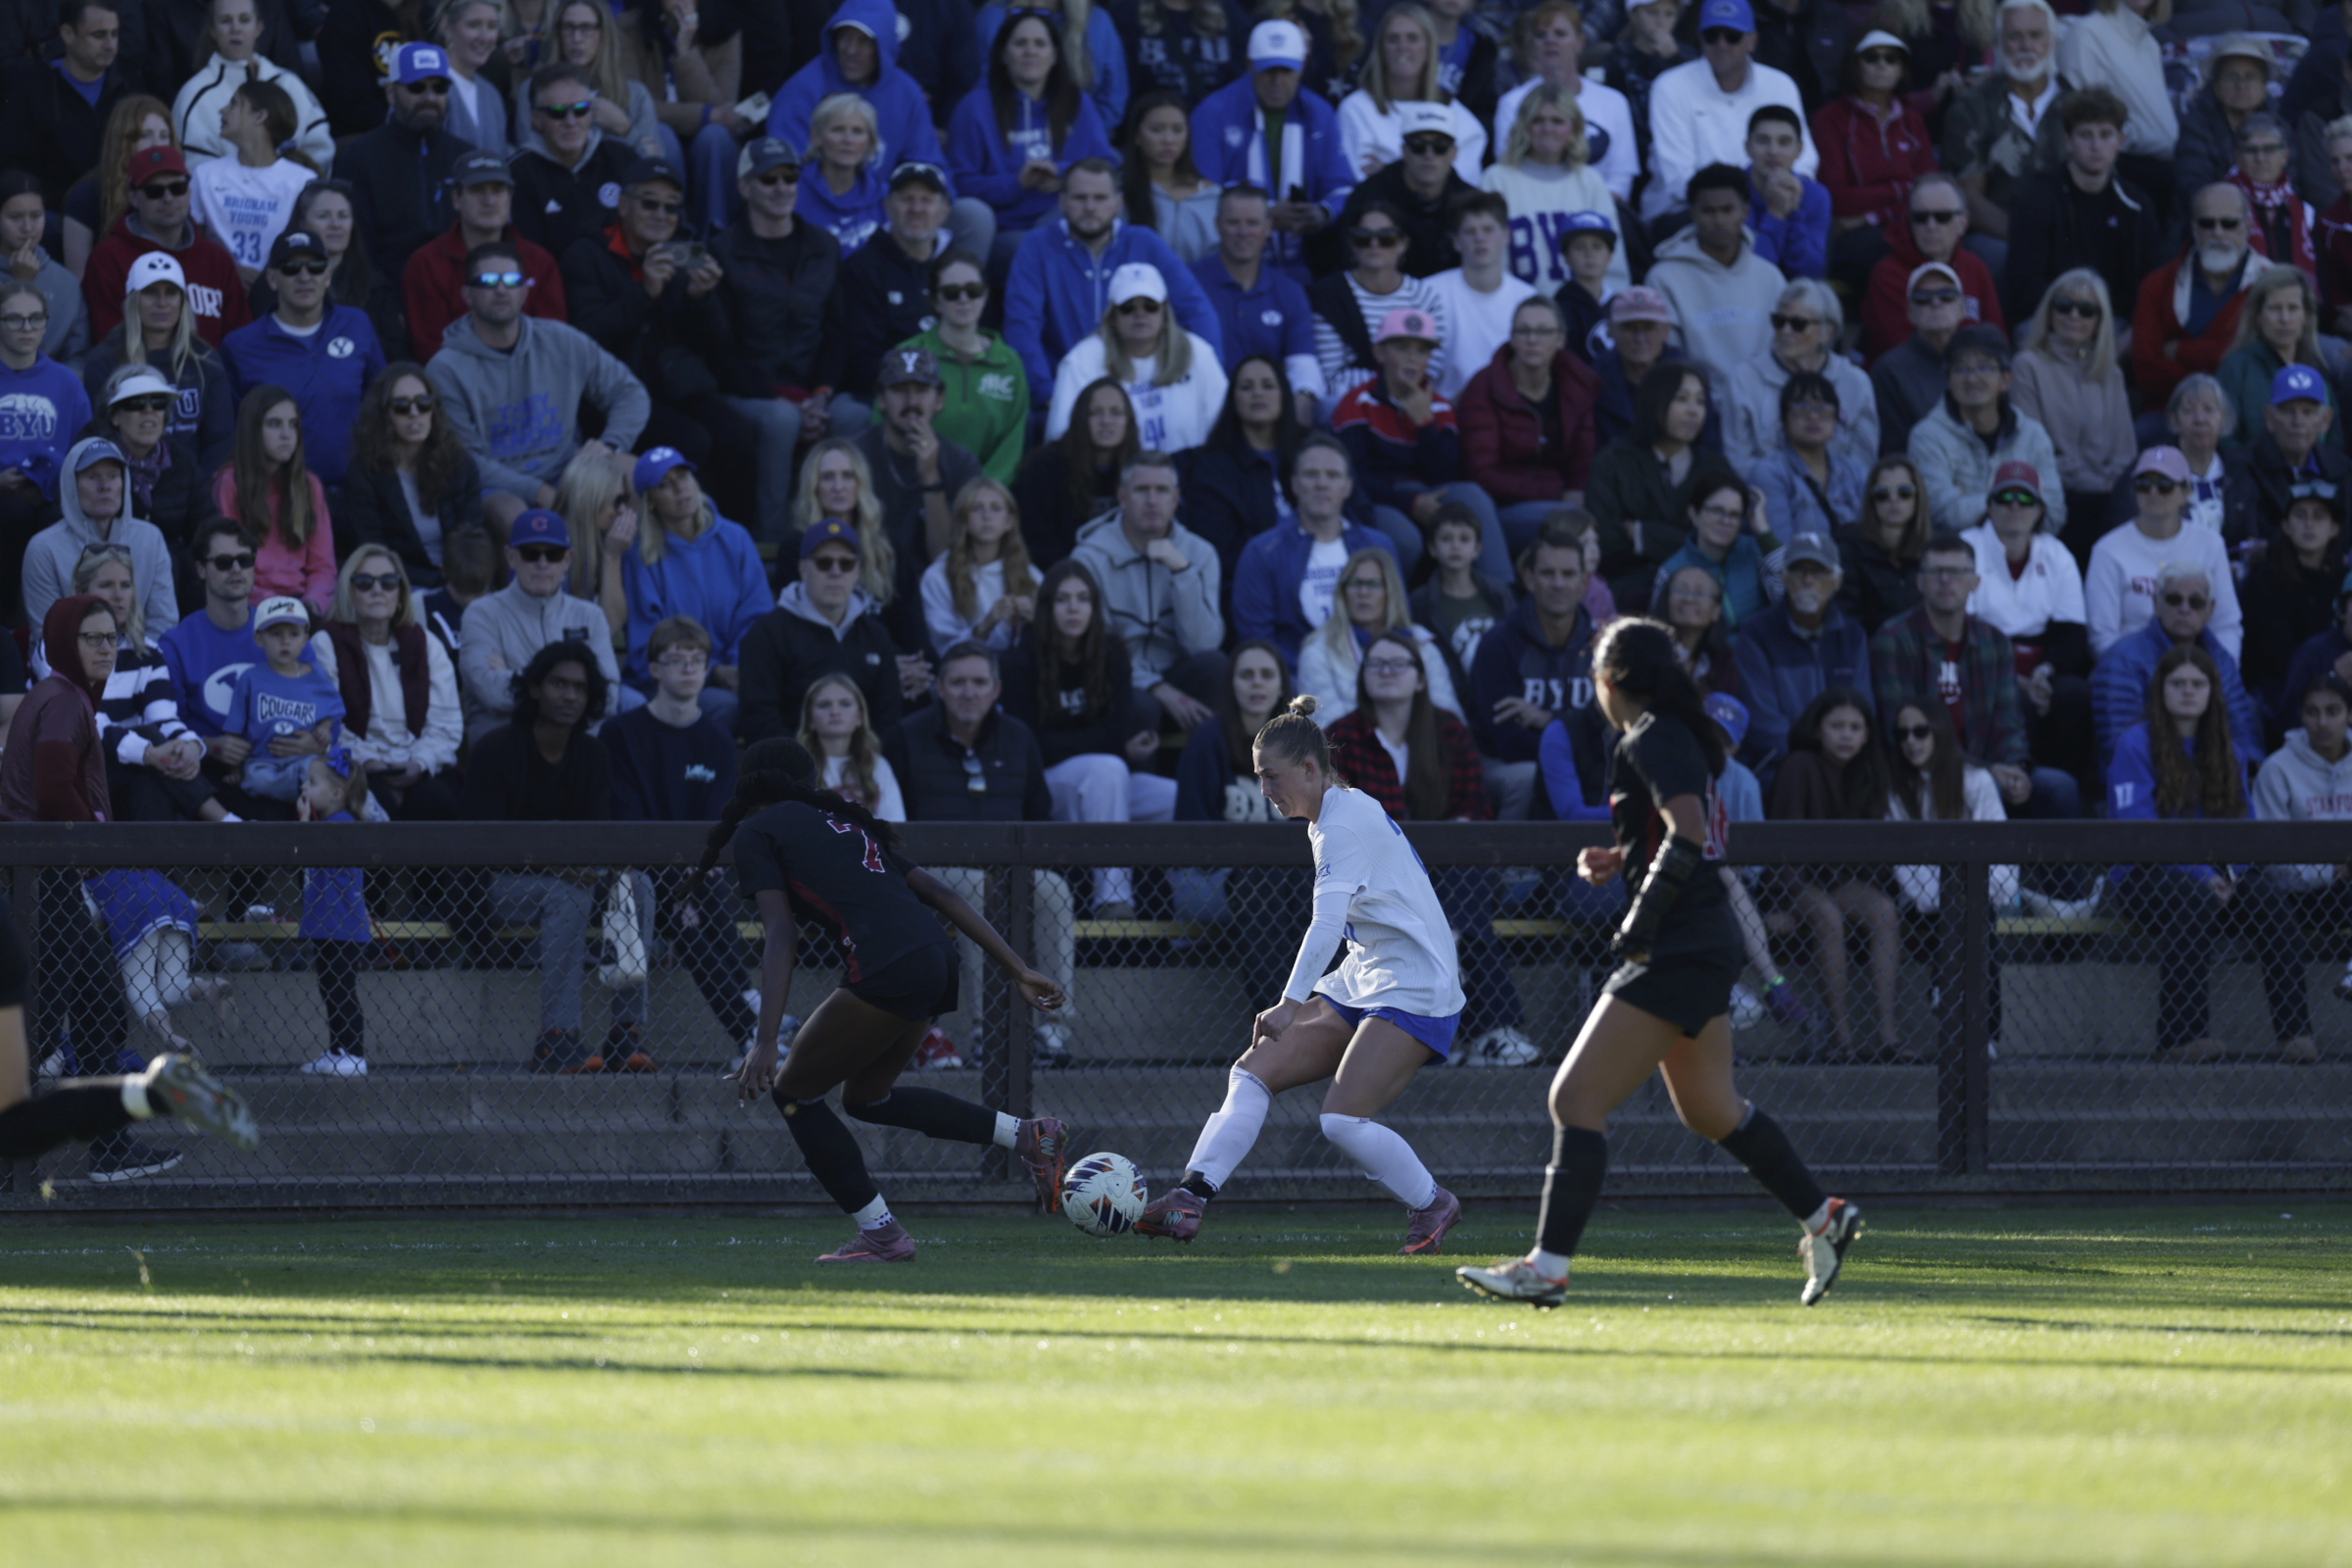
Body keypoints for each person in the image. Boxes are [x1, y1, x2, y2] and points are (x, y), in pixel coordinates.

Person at [1458, 618, 1860, 1308]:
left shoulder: (1654, 736)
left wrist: (1639, 919)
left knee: (1574, 1099)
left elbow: (1691, 836)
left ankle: (1547, 1269)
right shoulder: (1672, 731)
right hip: (1703, 940)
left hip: (1679, 944)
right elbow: (1680, 838)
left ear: (1609, 681)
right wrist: (1621, 861)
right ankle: (1823, 1216)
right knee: (1710, 1109)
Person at [712, 736, 1068, 1259]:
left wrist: (765, 1039)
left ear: (749, 786)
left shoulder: (755, 831)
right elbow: (943, 895)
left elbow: (781, 934)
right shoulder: (848, 826)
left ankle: (882, 1234)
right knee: (866, 1099)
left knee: (794, 1094)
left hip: (888, 964)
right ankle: (1028, 1136)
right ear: (808, 782)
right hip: (934, 957)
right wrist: (1018, 968)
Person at [1137, 688, 1466, 1245]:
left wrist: (1291, 1003)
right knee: (1251, 1071)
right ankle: (1190, 1198)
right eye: (1259, 776)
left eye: (1271, 776)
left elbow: (1324, 924)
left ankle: (1433, 1203)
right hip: (1367, 977)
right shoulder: (1332, 814)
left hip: (1415, 988)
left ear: (1311, 769)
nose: (1264, 790)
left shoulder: (1341, 821)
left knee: (1340, 1120)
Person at [0, 598, 260, 1182]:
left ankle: (110, 1150)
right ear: (65, 643)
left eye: (111, 636)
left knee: (98, 1007)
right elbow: (51, 790)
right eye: (90, 637)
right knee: (42, 1022)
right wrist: (97, 848)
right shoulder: (64, 699)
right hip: (39, 876)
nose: (104, 647)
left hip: (46, 875)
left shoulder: (64, 699)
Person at [2108, 644, 2313, 1062]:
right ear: (2160, 690)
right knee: (2191, 899)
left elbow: (2244, 830)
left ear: (2211, 692)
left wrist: (2231, 878)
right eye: (2178, 683)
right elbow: (2140, 833)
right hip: (2143, 875)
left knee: (2270, 902)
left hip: (2217, 878)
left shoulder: (2230, 751)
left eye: (2197, 684)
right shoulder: (2134, 744)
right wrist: (2205, 877)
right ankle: (2181, 1037)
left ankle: (2296, 1034)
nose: (2188, 691)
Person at [460, 641, 655, 1072]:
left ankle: (625, 1033)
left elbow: (596, 835)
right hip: (497, 888)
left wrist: (605, 866)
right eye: (559, 684)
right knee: (569, 894)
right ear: (534, 690)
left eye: (580, 688)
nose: (570, 696)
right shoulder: (495, 749)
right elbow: (481, 846)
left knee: (639, 884)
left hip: (571, 879)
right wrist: (553, 865)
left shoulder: (593, 754)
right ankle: (556, 1037)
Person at [883, 642, 1078, 1068]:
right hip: (933, 874)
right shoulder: (905, 737)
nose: (968, 692)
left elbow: (1038, 815)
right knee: (972, 887)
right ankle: (983, 1031)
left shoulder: (1018, 737)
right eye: (957, 683)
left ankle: (1052, 1030)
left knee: (1054, 891)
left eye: (978, 682)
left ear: (996, 689)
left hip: (1010, 866)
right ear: (939, 688)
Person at [601, 615, 765, 1069]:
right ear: (654, 669)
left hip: (694, 878)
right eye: (676, 660)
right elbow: (626, 817)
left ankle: (749, 1031)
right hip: (635, 872)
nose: (689, 669)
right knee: (690, 903)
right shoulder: (621, 734)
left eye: (698, 661)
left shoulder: (716, 740)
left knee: (693, 912)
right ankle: (749, 1014)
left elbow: (717, 821)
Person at [559, 155, 753, 521]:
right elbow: (585, 337)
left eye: (672, 207)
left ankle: (736, 540)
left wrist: (702, 299)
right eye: (650, 203)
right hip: (612, 394)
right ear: (624, 204)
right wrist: (644, 294)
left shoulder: (687, 252)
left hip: (679, 384)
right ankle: (680, 533)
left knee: (737, 435)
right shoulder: (585, 254)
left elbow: (717, 346)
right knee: (692, 440)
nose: (661, 215)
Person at [426, 238, 649, 532]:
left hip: (569, 471)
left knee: (631, 471)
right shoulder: (445, 369)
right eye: (488, 281)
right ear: (468, 294)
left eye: (512, 280)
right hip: (498, 486)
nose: (501, 290)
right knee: (514, 514)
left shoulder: (562, 340)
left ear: (524, 290)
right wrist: (539, 493)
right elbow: (466, 459)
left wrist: (610, 445)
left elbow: (630, 393)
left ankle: (629, 574)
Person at [998, 559, 1177, 918]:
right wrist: (1110, 748)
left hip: (1103, 782)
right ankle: (1112, 900)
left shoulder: (1111, 653)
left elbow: (1116, 728)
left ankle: (1187, 908)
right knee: (1106, 768)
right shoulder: (1021, 660)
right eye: (1063, 599)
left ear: (1094, 606)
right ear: (1046, 607)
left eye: (1083, 599)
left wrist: (1109, 746)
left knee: (1175, 798)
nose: (1074, 608)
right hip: (1049, 786)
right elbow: (1031, 743)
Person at [1871, 533, 2082, 819]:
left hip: (1990, 768)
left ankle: (2050, 867)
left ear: (1975, 583)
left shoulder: (1995, 642)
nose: (1946, 580)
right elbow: (1899, 729)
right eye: (1936, 572)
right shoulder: (1893, 640)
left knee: (2061, 789)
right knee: (1983, 785)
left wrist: (2015, 768)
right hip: (1920, 771)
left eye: (1957, 572)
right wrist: (1984, 769)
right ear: (1919, 582)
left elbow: (2009, 721)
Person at [764, 0, 993, 262]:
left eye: (864, 41)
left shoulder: (905, 92)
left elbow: (928, 163)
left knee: (974, 216)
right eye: (845, 37)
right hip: (816, 209)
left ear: (883, 45)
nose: (851, 50)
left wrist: (914, 205)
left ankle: (945, 293)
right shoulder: (802, 90)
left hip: (890, 210)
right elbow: (781, 170)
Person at [1003, 159, 1224, 414]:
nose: (1089, 207)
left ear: (1118, 203)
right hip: (1066, 392)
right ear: (1062, 201)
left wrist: (1207, 377)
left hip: (1143, 394)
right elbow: (1022, 325)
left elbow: (1196, 311)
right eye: (1080, 198)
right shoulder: (1038, 246)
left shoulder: (1144, 242)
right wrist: (1046, 394)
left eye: (1100, 198)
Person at [710, 137, 842, 540]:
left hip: (810, 391)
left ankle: (845, 540)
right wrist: (787, 402)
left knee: (857, 415)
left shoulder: (824, 245)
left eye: (790, 177)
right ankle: (771, 545)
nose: (782, 187)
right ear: (745, 186)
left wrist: (820, 395)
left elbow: (838, 333)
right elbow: (719, 349)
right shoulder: (721, 251)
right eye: (769, 179)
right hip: (750, 392)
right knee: (781, 421)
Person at [1765, 687, 1906, 1058]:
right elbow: (1783, 845)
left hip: (1843, 881)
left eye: (1855, 727)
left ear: (1867, 734)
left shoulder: (1872, 769)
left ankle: (1888, 1037)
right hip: (1798, 881)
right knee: (1827, 916)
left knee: (1885, 913)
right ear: (1817, 729)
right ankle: (1841, 1039)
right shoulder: (1799, 765)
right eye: (1837, 725)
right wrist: (1787, 903)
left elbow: (1876, 850)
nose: (1846, 735)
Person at [44, 543, 220, 824]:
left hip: (134, 773)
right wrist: (148, 752)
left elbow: (164, 719)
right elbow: (86, 724)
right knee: (148, 748)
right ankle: (225, 822)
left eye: (126, 585)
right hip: (74, 772)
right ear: (80, 590)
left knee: (150, 772)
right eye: (107, 585)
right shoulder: (56, 647)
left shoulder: (148, 652)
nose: (118, 596)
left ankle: (150, 868)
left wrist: (188, 746)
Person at [1171, 635, 1310, 984]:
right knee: (1262, 884)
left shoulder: (1303, 746)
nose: (1257, 683)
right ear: (1231, 684)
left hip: (1288, 880)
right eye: (1247, 675)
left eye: (1266, 674)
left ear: (1282, 684)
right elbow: (1194, 837)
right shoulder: (1206, 741)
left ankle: (1320, 1015)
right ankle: (1275, 1019)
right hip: (1211, 880)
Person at [1959, 461, 2096, 793]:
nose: (2015, 507)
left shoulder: (2056, 553)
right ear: (1989, 505)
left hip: (2041, 664)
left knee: (2074, 696)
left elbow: (2071, 633)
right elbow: (1965, 628)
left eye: (2025, 500)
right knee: (2015, 701)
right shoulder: (1968, 546)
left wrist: (2044, 673)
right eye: (2005, 498)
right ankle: (2015, 783)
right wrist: (2018, 681)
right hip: (1984, 663)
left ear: (2039, 510)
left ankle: (2069, 790)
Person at [1334, 304, 1497, 579]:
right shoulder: (1355, 404)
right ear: (1380, 353)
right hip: (1379, 498)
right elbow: (1355, 479)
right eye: (1402, 348)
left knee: (1472, 495)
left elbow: (1446, 475)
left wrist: (1425, 424)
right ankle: (1398, 612)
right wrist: (1410, 502)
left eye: (1422, 351)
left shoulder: (1440, 407)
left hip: (1427, 491)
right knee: (1405, 538)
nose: (1412, 359)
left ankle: (1499, 592)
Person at [1185, 21, 1355, 283]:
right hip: (1230, 265)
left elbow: (1342, 186)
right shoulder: (1213, 114)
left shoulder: (1319, 113)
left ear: (1303, 65)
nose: (1277, 81)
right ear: (1249, 65)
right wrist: (1269, 214)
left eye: (1287, 71)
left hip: (1303, 265)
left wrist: (1322, 213)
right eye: (1268, 71)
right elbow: (1202, 195)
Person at [1072, 451, 1227, 728]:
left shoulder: (1201, 554)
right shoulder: (1089, 559)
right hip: (1120, 678)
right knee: (1143, 708)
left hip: (1179, 670)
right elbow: (1096, 649)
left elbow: (1203, 645)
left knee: (1216, 668)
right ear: (1122, 497)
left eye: (1162, 490)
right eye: (1142, 490)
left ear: (1176, 499)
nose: (1152, 501)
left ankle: (1212, 767)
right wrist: (1157, 688)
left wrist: (1181, 571)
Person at [950, 15, 1117, 270]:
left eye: (1040, 44)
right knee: (1031, 246)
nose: (1030, 51)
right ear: (1003, 54)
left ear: (1054, 55)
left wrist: (1064, 176)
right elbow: (960, 183)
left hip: (1060, 216)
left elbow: (1106, 164)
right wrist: (1017, 183)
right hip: (1004, 228)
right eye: (1021, 44)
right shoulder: (973, 108)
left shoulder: (1078, 103)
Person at [220, 229, 385, 487]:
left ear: (328, 275)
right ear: (272, 278)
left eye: (316, 266)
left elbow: (380, 402)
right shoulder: (240, 345)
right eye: (292, 267)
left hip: (357, 490)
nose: (305, 277)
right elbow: (232, 431)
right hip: (278, 493)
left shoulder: (357, 324)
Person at [311, 545, 462, 821]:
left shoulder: (426, 643)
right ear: (349, 591)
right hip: (354, 766)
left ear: (401, 592)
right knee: (373, 804)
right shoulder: (325, 643)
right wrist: (369, 763)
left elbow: (446, 724)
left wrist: (420, 763)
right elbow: (326, 725)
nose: (378, 590)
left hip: (417, 765)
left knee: (437, 802)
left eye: (389, 582)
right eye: (365, 583)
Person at [617, 447, 765, 727]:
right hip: (669, 683)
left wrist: (736, 669)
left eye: (683, 476)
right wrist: (712, 672)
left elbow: (755, 617)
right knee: (727, 707)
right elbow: (647, 644)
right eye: (664, 484)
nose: (679, 489)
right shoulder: (640, 556)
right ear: (650, 502)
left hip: (735, 675)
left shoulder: (736, 539)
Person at [2000, 88, 2162, 340]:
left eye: (2105, 135)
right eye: (2085, 135)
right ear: (2068, 141)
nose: (2096, 146)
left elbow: (2148, 287)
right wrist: (2075, 319)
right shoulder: (2037, 199)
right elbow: (2024, 287)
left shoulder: (2137, 205)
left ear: (2121, 141)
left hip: (2112, 326)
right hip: (2050, 321)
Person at [1642, 0, 1819, 226]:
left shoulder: (1780, 85)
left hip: (1768, 203)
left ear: (1752, 41)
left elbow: (1804, 160)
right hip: (1688, 212)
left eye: (1732, 36)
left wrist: (1779, 192)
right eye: (1712, 36)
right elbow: (1678, 179)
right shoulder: (1670, 86)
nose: (1722, 45)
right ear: (1700, 39)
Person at [1467, 515, 1599, 818]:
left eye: (1568, 574)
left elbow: (1609, 731)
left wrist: (1547, 719)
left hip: (1577, 758)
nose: (1558, 583)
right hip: (1503, 765)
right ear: (1529, 579)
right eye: (1547, 573)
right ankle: (1512, 866)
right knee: (1528, 776)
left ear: (1584, 581)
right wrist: (1576, 737)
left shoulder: (1601, 647)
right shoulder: (1498, 644)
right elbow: (1509, 742)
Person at [739, 518, 913, 745]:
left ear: (858, 572)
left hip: (863, 768)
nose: (836, 572)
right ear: (802, 569)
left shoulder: (876, 636)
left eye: (846, 564)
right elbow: (759, 719)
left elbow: (887, 719)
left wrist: (860, 764)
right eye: (824, 563)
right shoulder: (767, 634)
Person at [1588, 361, 1741, 612]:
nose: (1693, 411)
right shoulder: (1613, 461)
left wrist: (1641, 534)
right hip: (1628, 588)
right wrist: (1691, 540)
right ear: (1654, 402)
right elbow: (1604, 543)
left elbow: (1727, 542)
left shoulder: (1714, 468)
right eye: (1681, 399)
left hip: (1702, 589)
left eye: (1700, 402)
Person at [457, 508, 621, 740]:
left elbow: (610, 698)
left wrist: (519, 677)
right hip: (508, 749)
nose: (542, 564)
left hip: (574, 748)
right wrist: (576, 688)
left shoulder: (590, 616)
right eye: (530, 554)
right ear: (511, 557)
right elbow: (490, 691)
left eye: (553, 554)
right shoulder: (482, 613)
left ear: (568, 560)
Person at [1231, 432, 1396, 663]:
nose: (1322, 484)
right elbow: (1258, 647)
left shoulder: (1379, 546)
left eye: (1332, 475)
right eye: (1311, 475)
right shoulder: (1262, 552)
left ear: (1348, 487)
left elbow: (1397, 624)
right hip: (1298, 689)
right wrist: (1309, 697)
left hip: (1374, 680)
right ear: (1295, 484)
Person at [399, 150, 568, 363]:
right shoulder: (426, 264)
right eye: (477, 190)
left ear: (510, 197)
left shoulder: (540, 262)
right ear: (456, 199)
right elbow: (431, 349)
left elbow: (553, 342)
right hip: (457, 387)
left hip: (533, 386)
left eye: (498, 191)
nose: (489, 201)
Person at [2090, 559, 2262, 768]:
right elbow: (2119, 745)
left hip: (2212, 775)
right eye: (2174, 600)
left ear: (2210, 610)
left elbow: (2241, 730)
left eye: (2196, 602)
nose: (2184, 609)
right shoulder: (2122, 659)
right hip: (2145, 775)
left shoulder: (2220, 658)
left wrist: (2247, 769)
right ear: (2156, 604)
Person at [2011, 270, 2135, 558]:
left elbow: (2124, 450)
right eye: (2064, 306)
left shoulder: (2110, 373)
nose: (2074, 316)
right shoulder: (2027, 366)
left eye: (2087, 310)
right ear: (2049, 311)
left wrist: (2110, 482)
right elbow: (2034, 449)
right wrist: (2096, 483)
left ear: (2100, 321)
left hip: (2107, 495)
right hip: (2056, 495)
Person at [1938, 0, 2069, 273]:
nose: (2026, 45)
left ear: (2053, 41)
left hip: (2069, 232)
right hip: (2000, 235)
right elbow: (1968, 198)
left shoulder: (2077, 105)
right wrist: (2029, 239)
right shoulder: (1970, 109)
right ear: (1998, 43)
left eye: (2036, 35)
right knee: (2005, 258)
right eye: (2014, 36)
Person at [1045, 261, 1227, 454]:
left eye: (1150, 305)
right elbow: (1060, 435)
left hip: (1186, 476)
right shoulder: (1081, 359)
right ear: (1113, 316)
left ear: (1164, 313)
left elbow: (1224, 428)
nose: (1140, 314)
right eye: (1128, 307)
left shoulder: (1198, 353)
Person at [82, 145, 251, 350]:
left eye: (177, 188)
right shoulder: (109, 258)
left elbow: (240, 341)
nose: (168, 198)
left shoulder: (216, 259)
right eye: (155, 191)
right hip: (137, 377)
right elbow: (108, 344)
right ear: (133, 197)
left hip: (210, 378)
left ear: (189, 192)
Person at [1731, 530, 1872, 772]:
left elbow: (1863, 711)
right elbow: (1765, 726)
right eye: (1799, 570)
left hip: (1845, 766)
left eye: (1818, 571)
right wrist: (1817, 763)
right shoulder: (1756, 635)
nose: (1808, 580)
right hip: (1781, 770)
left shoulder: (1852, 636)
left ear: (1837, 581)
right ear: (1784, 577)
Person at [1907, 324, 2067, 536]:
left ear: (2006, 380)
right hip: (1958, 557)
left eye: (1984, 368)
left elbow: (2054, 514)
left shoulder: (2033, 435)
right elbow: (1943, 514)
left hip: (2023, 554)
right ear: (1948, 380)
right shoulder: (1927, 436)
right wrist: (2020, 501)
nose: (1972, 379)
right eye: (1962, 369)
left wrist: (1971, 501)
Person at [2089, 447, 2243, 661]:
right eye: (2144, 484)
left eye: (2164, 485)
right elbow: (2102, 636)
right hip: (2132, 670)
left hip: (2197, 674)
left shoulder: (2211, 544)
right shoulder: (2107, 550)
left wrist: (2218, 675)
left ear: (2186, 492)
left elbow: (2226, 625)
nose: (2153, 492)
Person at [339, 364, 483, 591]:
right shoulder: (365, 473)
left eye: (423, 403)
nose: (414, 413)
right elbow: (373, 549)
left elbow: (471, 539)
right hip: (399, 585)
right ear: (384, 414)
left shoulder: (459, 464)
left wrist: (456, 581)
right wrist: (433, 584)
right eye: (401, 406)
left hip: (460, 582)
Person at [2255, 671, 2352, 1010]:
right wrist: (2333, 873)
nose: (2322, 722)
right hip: (2298, 898)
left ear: (2349, 715)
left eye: (2333, 711)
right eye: (2312, 712)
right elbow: (2273, 865)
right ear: (2301, 715)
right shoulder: (2277, 770)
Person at [1810, 30, 1936, 290]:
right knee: (1895, 254)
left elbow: (1930, 192)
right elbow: (1839, 198)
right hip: (1855, 235)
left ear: (1902, 70)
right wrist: (1903, 188)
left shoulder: (1913, 121)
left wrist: (1871, 216)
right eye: (1872, 57)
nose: (1882, 65)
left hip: (1899, 224)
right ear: (1855, 66)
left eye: (1891, 59)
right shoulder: (1830, 119)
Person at [1189, 186, 1325, 423]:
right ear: (1217, 225)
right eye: (1233, 223)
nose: (1243, 232)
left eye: (1252, 223)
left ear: (1268, 227)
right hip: (1202, 412)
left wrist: (1302, 400)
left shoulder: (1289, 292)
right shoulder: (1188, 284)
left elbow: (1303, 365)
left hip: (1267, 417)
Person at [1719, 277, 1878, 479]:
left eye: (1798, 324)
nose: (1785, 331)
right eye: (1779, 321)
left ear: (1827, 332)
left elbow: (1863, 460)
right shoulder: (1745, 379)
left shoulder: (1856, 383)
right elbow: (1739, 459)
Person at [1480, 87, 1628, 302]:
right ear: (1524, 126)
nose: (1547, 129)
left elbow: (1614, 263)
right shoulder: (1496, 180)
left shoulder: (1590, 181)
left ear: (1574, 129)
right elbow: (1492, 260)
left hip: (1582, 312)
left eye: (1557, 121)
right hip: (1517, 312)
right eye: (1538, 120)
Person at [1645, 165, 1788, 383]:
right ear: (1692, 213)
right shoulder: (1663, 278)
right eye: (1708, 211)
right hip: (1698, 407)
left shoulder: (1771, 278)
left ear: (1745, 211)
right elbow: (1669, 361)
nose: (1719, 221)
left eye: (1727, 210)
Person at [1178, 354, 1311, 589]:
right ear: (1233, 399)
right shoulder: (1212, 468)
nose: (1257, 393)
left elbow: (1354, 513)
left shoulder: (1313, 450)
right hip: (1254, 585)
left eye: (1268, 386)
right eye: (1247, 387)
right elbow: (1219, 546)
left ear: (1284, 395)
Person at [336, 44, 468, 279]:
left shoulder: (464, 156)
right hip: (387, 297)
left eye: (439, 88)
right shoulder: (361, 155)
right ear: (390, 93)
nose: (429, 98)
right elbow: (357, 246)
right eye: (416, 87)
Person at [900, 251, 1028, 487]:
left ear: (986, 295)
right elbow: (887, 433)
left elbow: (1011, 448)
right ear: (936, 301)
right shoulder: (907, 356)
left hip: (985, 504)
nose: (963, 299)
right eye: (951, 293)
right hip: (917, 491)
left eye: (973, 291)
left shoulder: (1010, 364)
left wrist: (979, 497)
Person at [25, 436, 176, 637]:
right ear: (72, 485)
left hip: (141, 663)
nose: (105, 486)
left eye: (113, 476)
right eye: (93, 477)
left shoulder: (151, 539)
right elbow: (48, 637)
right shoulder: (44, 549)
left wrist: (136, 665)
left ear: (124, 482)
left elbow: (164, 624)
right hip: (70, 666)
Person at [1493, 1, 1641, 205]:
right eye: (1541, 35)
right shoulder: (1511, 103)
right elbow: (1507, 168)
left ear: (1580, 42)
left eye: (1560, 34)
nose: (1550, 41)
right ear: (1533, 44)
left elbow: (1621, 178)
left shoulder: (1614, 102)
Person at [2133, 184, 2262, 412]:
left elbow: (2259, 364)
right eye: (2207, 223)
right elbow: (2146, 368)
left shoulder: (2272, 285)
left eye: (2229, 223)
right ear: (2193, 227)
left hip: (2248, 412)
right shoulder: (2157, 285)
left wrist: (2181, 351)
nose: (2218, 233)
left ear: (2248, 226)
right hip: (2171, 411)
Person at [1308, 199, 1449, 406]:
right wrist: (1395, 382)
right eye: (1363, 237)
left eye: (1386, 238)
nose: (1374, 244)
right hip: (1349, 407)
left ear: (1403, 244)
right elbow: (1331, 377)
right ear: (1351, 242)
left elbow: (1430, 369)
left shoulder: (1425, 297)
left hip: (1411, 405)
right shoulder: (1328, 296)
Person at [1296, 545, 1458, 724]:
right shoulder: (1317, 653)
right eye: (1355, 583)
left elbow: (1449, 722)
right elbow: (1327, 732)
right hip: (1352, 750)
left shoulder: (1423, 645)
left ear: (1391, 592)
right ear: (1343, 592)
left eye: (1373, 584)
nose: (1363, 593)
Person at [210, 384, 333, 611]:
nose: (287, 434)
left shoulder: (309, 485)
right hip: (249, 606)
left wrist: (314, 602)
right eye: (275, 424)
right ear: (253, 430)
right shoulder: (229, 484)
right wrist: (276, 606)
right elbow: (228, 568)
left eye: (293, 425)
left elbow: (323, 566)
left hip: (304, 604)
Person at [1860, 174, 2004, 366]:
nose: (1931, 226)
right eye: (1920, 218)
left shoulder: (1975, 267)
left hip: (1971, 378)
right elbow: (1902, 349)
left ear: (1963, 222)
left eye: (1942, 217)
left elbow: (1997, 337)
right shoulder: (1887, 275)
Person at [0, 0, 129, 214]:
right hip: (50, 217)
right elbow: (16, 165)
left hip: (116, 213)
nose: (110, 45)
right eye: (99, 35)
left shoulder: (127, 88)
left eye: (114, 34)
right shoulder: (31, 89)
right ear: (67, 34)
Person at [507, 62, 643, 263]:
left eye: (581, 109)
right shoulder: (517, 173)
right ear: (536, 119)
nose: (571, 122)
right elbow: (528, 259)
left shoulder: (622, 158)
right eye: (558, 112)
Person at [186, 78, 319, 280]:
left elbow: (309, 248)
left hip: (280, 290)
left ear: (260, 116)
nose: (222, 110)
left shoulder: (303, 182)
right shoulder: (205, 175)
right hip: (217, 285)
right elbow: (191, 244)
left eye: (234, 104)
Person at [1338, 3, 1487, 181]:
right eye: (1393, 39)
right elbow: (1359, 181)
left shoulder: (1458, 116)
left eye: (1413, 38)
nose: (1403, 47)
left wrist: (1390, 173)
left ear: (1429, 48)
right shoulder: (1355, 109)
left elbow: (1463, 188)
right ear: (1381, 50)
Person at [2240, 482, 2347, 724]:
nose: (2309, 524)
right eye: (2301, 515)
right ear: (2286, 526)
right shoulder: (2264, 580)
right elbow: (2277, 658)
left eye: (2319, 516)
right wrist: (2332, 672)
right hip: (2280, 691)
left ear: (2334, 529)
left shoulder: (2345, 581)